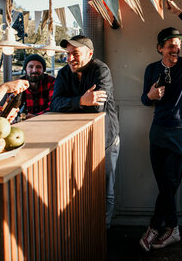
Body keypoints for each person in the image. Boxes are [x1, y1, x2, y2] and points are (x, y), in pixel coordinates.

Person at [139, 0, 182, 251]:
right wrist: (151, 97)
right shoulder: (151, 69)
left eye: (177, 45)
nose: (175, 49)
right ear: (160, 48)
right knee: (165, 186)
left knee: (169, 184)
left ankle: (155, 226)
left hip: (181, 134)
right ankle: (173, 228)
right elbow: (144, 99)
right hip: (157, 134)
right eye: (170, 46)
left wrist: (180, 13)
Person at [50, 35, 119, 229]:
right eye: (68, 54)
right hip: (76, 141)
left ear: (90, 54)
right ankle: (86, 233)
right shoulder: (63, 74)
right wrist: (81, 101)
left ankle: (104, 230)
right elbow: (54, 105)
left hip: (105, 140)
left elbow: (97, 107)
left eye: (75, 54)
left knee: (106, 189)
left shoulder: (101, 70)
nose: (70, 59)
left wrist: (71, 102)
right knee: (79, 189)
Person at [18, 54, 55, 119]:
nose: (34, 70)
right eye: (31, 67)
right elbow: (11, 109)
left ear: (43, 70)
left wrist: (36, 117)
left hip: (46, 121)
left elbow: (54, 106)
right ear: (25, 69)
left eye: (38, 67)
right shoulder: (18, 84)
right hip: (24, 122)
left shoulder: (51, 82)